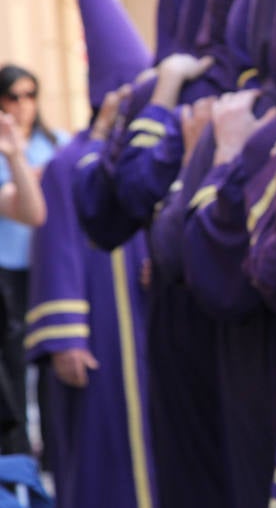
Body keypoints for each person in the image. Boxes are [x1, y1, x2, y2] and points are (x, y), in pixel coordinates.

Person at [27, 89, 154, 508]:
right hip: (101, 328)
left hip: (152, 322)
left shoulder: (153, 156)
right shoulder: (68, 164)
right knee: (104, 444)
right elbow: (57, 245)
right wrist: (66, 337)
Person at [0, 64, 60, 457]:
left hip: (48, 266)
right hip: (7, 267)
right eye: (13, 96)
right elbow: (23, 207)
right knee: (12, 361)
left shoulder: (55, 143)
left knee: (52, 357)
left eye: (30, 95)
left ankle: (55, 446)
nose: (23, 105)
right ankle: (19, 451)